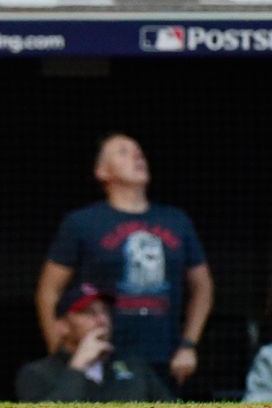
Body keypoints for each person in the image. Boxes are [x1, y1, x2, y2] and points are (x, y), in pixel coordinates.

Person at [36, 133, 213, 392]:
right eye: (123, 151)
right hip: (102, 360)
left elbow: (203, 287)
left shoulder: (177, 220)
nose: (136, 156)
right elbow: (48, 291)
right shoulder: (81, 223)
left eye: (139, 151)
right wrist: (60, 352)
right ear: (102, 171)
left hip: (165, 359)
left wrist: (188, 345)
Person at [16, 282, 175, 401]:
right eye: (89, 313)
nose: (102, 320)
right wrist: (78, 366)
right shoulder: (37, 374)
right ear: (62, 326)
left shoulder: (134, 367)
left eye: (105, 311)